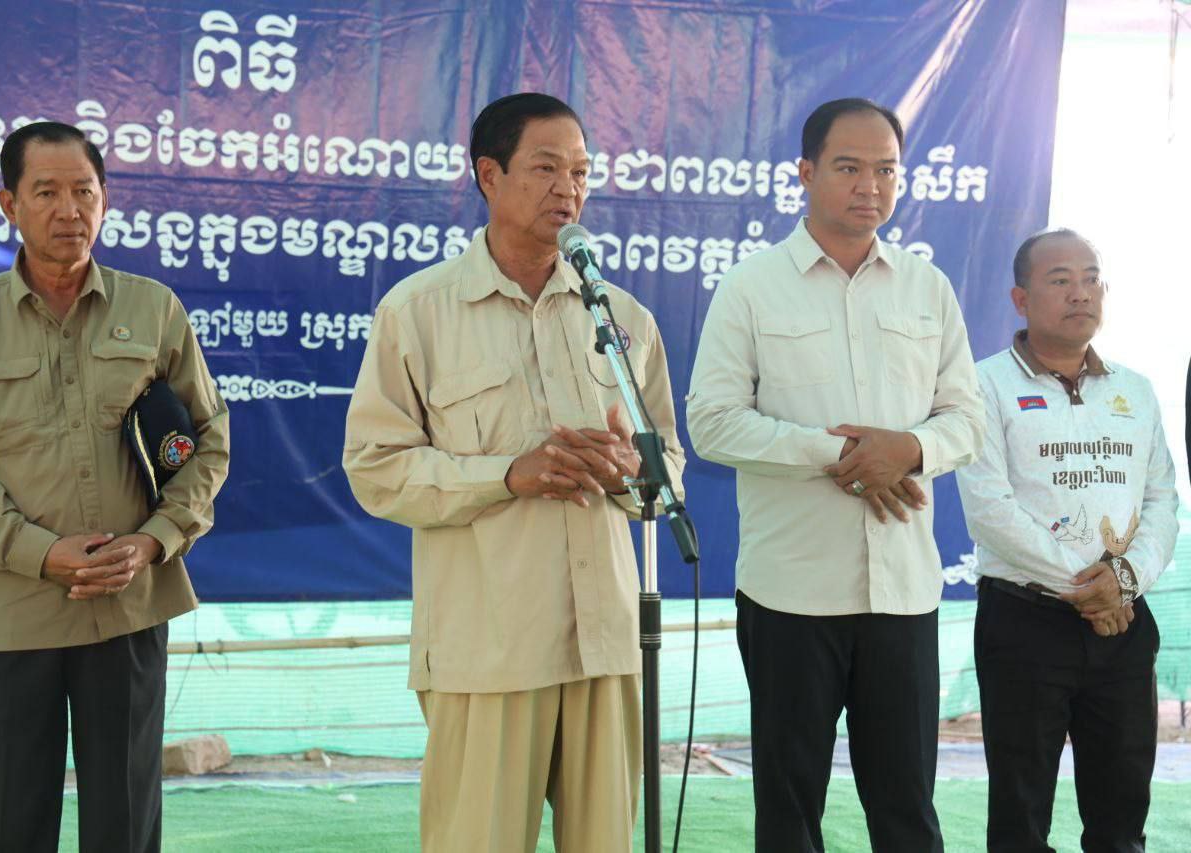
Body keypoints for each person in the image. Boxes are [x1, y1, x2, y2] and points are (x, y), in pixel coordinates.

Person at [342, 92, 684, 852]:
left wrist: (631, 469)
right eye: (546, 168)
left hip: (606, 642)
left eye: (581, 171)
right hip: (489, 647)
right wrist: (507, 474)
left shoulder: (621, 319)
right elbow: (375, 468)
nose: (569, 188)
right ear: (489, 176)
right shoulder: (418, 312)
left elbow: (670, 467)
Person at [0, 122, 230, 852]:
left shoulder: (153, 309)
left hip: (127, 605)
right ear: (9, 205)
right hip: (12, 609)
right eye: (46, 192)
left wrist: (155, 541)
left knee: (124, 822)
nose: (69, 210)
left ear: (105, 200)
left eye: (84, 192)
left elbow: (208, 439)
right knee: (6, 824)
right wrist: (41, 553)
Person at [686, 97, 984, 852]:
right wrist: (842, 455)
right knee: (790, 812)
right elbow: (712, 422)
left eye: (886, 170)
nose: (870, 186)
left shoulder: (927, 288)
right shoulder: (751, 286)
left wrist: (909, 449)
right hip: (791, 591)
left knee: (907, 810)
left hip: (903, 592)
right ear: (805, 172)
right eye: (849, 167)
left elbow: (967, 420)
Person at [955, 228, 1177, 851]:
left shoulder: (1135, 389)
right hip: (1025, 625)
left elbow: (1162, 502)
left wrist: (1123, 583)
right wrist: (1089, 591)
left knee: (1121, 815)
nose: (1081, 293)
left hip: (1124, 624)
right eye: (1060, 280)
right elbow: (990, 510)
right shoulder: (981, 385)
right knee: (1021, 816)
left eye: (1091, 278)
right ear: (1020, 299)